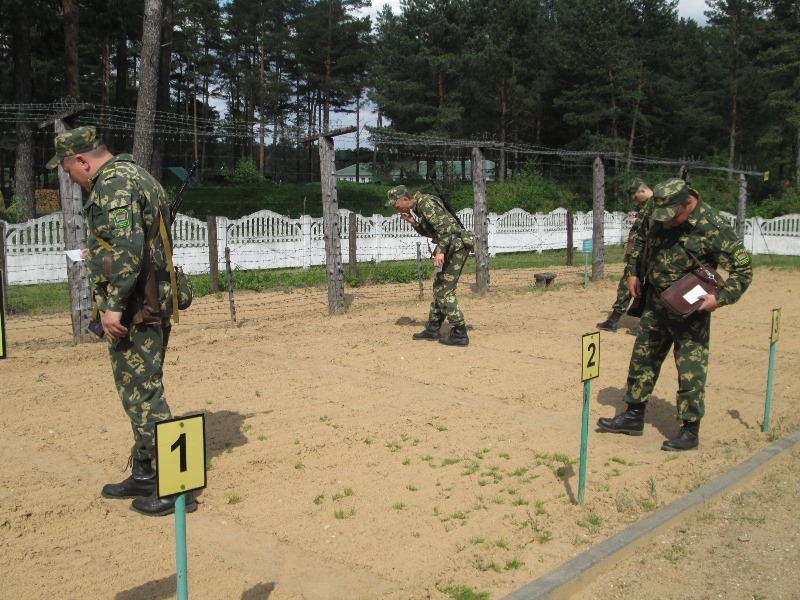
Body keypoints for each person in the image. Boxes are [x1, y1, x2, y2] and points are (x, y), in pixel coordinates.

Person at [46, 126, 196, 516]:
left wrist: (113, 306)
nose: (70, 179)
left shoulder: (114, 183)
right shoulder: (137, 175)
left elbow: (129, 246)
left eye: (68, 170)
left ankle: (177, 488)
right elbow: (132, 239)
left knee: (143, 392)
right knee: (137, 388)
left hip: (136, 304)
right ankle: (145, 472)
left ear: (82, 160)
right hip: (146, 296)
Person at [597, 178, 752, 451]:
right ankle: (633, 415)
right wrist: (633, 272)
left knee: (690, 368)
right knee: (643, 358)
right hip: (656, 303)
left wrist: (719, 299)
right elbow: (641, 238)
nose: (666, 222)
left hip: (690, 311)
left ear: (687, 203)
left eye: (672, 216)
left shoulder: (713, 226)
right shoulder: (658, 209)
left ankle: (690, 429)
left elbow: (743, 270)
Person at [386, 185, 475, 346]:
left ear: (405, 199)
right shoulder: (420, 206)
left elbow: (445, 230)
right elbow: (432, 231)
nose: (396, 210)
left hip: (454, 247)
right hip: (450, 246)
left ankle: (459, 333)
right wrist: (413, 222)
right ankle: (433, 328)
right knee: (439, 287)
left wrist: (440, 252)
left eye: (396, 206)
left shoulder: (425, 203)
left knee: (445, 291)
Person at [596, 178, 653, 335]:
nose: (634, 199)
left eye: (635, 196)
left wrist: (638, 221)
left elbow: (654, 227)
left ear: (642, 190)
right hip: (638, 254)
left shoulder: (656, 205)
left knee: (650, 287)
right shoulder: (646, 206)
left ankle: (645, 325)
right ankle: (614, 319)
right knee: (627, 283)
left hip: (649, 255)